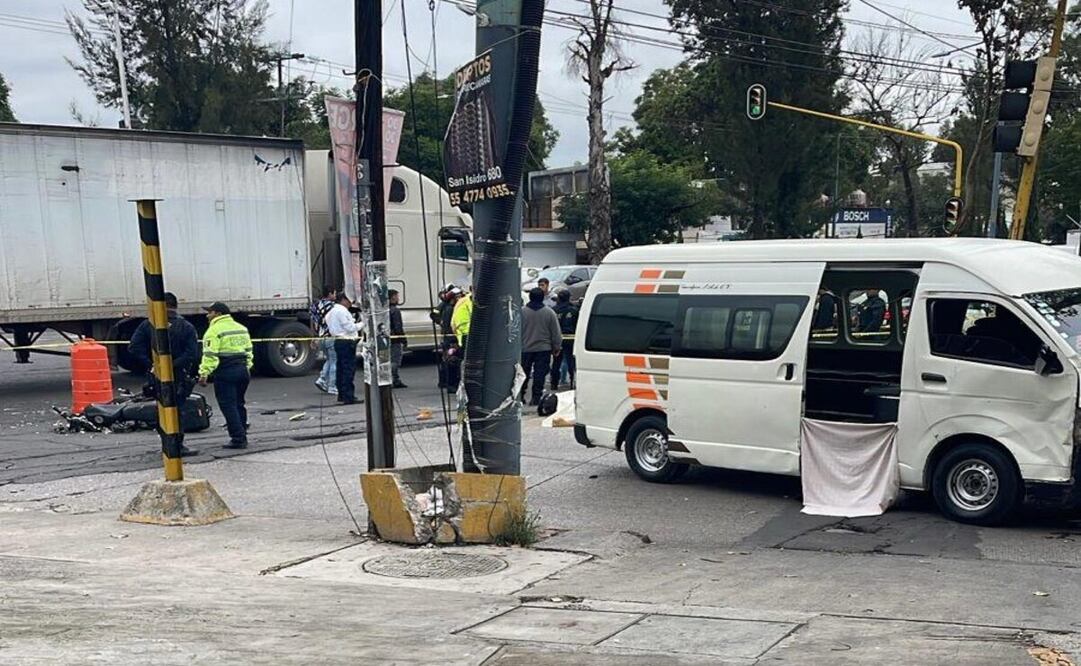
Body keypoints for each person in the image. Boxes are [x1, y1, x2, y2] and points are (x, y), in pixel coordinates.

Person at [128, 291, 200, 457]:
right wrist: (173, 365)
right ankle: (178, 445)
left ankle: (166, 444)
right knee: (177, 410)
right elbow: (192, 353)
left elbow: (134, 347)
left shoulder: (148, 325)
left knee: (162, 409)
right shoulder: (186, 326)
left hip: (157, 374)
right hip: (178, 374)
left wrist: (153, 364)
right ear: (175, 305)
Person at [197, 302, 253, 450]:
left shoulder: (213, 331)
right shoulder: (242, 328)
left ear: (218, 314)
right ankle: (243, 433)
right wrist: (247, 367)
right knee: (239, 403)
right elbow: (249, 351)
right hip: (242, 370)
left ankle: (238, 439)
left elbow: (210, 355)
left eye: (210, 312)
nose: (207, 315)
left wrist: (204, 373)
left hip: (225, 371)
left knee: (228, 405)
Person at [520, 287, 562, 406]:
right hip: (543, 349)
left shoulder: (522, 312)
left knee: (524, 374)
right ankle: (536, 398)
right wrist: (556, 347)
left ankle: (521, 396)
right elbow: (556, 332)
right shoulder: (549, 312)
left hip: (525, 349)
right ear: (543, 297)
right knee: (540, 374)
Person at [326, 293, 362, 404]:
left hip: (338, 340)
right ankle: (348, 396)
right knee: (348, 369)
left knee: (341, 369)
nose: (351, 302)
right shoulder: (342, 311)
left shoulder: (332, 311)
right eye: (349, 299)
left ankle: (342, 395)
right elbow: (350, 327)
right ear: (342, 300)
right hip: (347, 341)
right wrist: (363, 323)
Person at [311, 285, 338, 396]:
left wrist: (314, 336)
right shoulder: (333, 307)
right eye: (334, 293)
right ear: (330, 294)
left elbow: (313, 321)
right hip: (331, 335)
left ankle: (322, 379)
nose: (335, 296)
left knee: (329, 360)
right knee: (334, 361)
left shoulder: (315, 305)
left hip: (321, 336)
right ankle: (332, 386)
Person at [550, 290, 579, 390]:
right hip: (571, 338)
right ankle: (572, 381)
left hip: (558, 338)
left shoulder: (554, 310)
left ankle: (554, 383)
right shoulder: (574, 310)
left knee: (556, 361)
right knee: (571, 361)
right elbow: (577, 325)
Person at [388, 289, 407, 389]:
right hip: (395, 339)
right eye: (397, 296)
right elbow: (398, 326)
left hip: (386, 338)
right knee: (395, 360)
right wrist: (403, 339)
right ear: (393, 298)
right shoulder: (395, 310)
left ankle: (392, 379)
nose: (398, 298)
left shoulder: (384, 309)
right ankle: (394, 379)